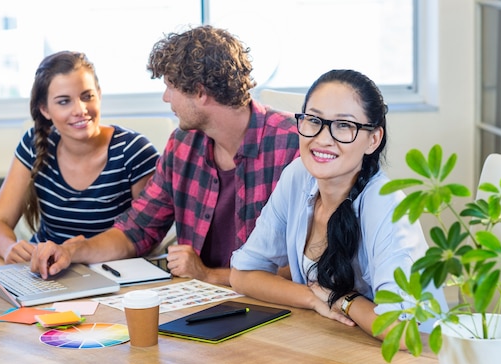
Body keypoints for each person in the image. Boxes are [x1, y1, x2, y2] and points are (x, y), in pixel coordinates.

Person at [31, 26, 300, 285]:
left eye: (171, 86)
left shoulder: (293, 144)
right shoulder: (183, 145)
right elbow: (137, 230)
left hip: (275, 310)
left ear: (199, 92)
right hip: (202, 300)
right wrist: (71, 252)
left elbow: (306, 262)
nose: (165, 97)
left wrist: (209, 275)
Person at [229, 69, 447, 341]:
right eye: (313, 120)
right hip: (335, 343)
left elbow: (401, 331)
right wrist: (312, 298)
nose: (322, 138)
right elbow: (243, 274)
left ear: (373, 139)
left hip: (417, 361)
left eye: (344, 125)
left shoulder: (385, 205)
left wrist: (341, 299)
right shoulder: (299, 176)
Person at [0, 51, 160, 264]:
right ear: (45, 110)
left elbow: (146, 234)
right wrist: (8, 248)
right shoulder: (35, 144)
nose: (80, 110)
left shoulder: (134, 151)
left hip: (110, 272)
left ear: (99, 95)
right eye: (64, 101)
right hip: (45, 270)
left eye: (87, 96)